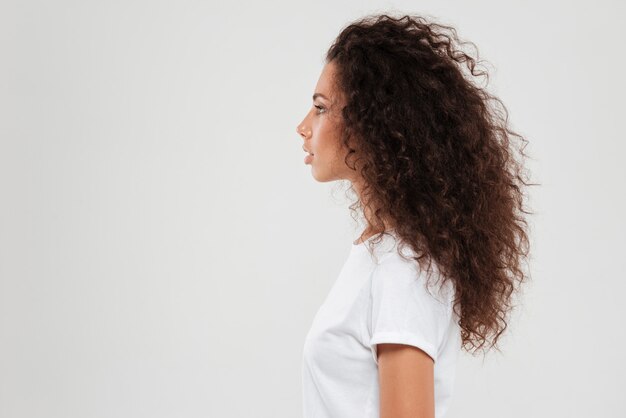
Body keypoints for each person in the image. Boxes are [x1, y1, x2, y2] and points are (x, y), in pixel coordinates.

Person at [296, 13, 532, 418]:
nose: (302, 127)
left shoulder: (403, 272)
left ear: (373, 125)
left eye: (320, 108)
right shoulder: (381, 253)